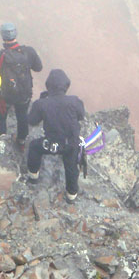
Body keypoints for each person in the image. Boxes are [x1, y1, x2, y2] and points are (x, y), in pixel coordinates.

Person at [25, 69, 85, 203]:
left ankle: (33, 177)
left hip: (51, 144)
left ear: (48, 86)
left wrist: (40, 102)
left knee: (34, 147)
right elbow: (81, 115)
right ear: (66, 86)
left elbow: (32, 120)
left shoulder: (42, 104)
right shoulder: (74, 101)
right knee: (71, 165)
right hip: (70, 143)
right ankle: (71, 195)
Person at [0, 22, 43, 150]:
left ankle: (0, 144)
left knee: (0, 118)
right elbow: (38, 68)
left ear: (2, 36)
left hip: (4, 96)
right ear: (16, 33)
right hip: (24, 93)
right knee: (22, 116)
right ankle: (22, 141)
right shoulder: (29, 52)